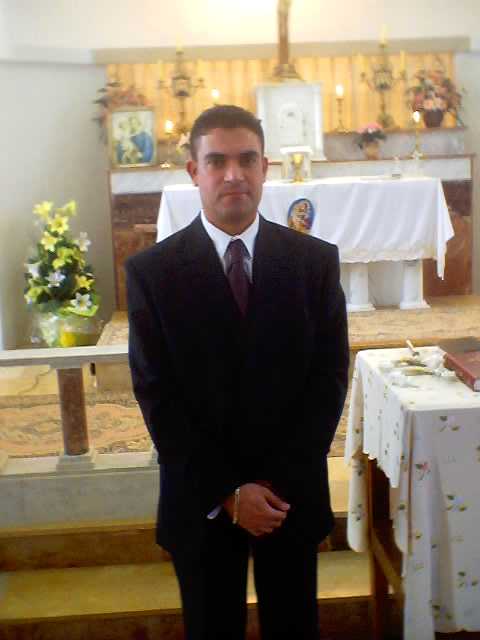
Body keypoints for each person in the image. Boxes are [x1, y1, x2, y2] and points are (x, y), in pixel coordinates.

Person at [126, 105, 349, 640]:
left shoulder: (313, 263)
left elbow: (328, 380)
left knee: (294, 628)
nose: (234, 174)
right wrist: (227, 491)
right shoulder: (153, 273)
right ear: (193, 171)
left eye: (247, 159)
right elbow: (157, 394)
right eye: (217, 161)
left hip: (288, 496)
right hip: (201, 499)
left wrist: (270, 487)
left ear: (265, 168)